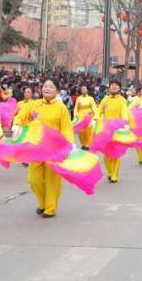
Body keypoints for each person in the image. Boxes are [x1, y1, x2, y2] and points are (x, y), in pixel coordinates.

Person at [22, 78, 73, 217]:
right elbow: (22, 117)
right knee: (34, 179)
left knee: (53, 180)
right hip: (37, 147)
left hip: (54, 149)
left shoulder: (61, 107)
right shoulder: (34, 105)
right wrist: (16, 126)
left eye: (51, 87)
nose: (47, 89)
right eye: (45, 86)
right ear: (41, 89)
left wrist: (69, 144)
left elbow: (66, 127)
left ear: (56, 90)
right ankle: (42, 202)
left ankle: (50, 208)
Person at [94, 79, 132, 183]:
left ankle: (114, 175)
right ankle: (110, 172)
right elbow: (98, 111)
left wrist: (124, 124)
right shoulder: (105, 100)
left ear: (119, 88)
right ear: (109, 87)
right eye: (112, 85)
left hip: (118, 130)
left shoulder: (122, 100)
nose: (114, 87)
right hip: (106, 130)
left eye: (116, 85)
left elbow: (124, 112)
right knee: (107, 154)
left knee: (116, 154)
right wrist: (96, 119)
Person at [73, 85, 96, 149]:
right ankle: (83, 143)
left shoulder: (90, 98)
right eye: (82, 89)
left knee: (89, 130)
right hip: (81, 116)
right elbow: (76, 108)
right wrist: (76, 115)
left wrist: (95, 115)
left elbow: (93, 107)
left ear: (87, 90)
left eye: (85, 89)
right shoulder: (78, 98)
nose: (83, 90)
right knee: (82, 131)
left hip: (89, 116)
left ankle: (87, 144)